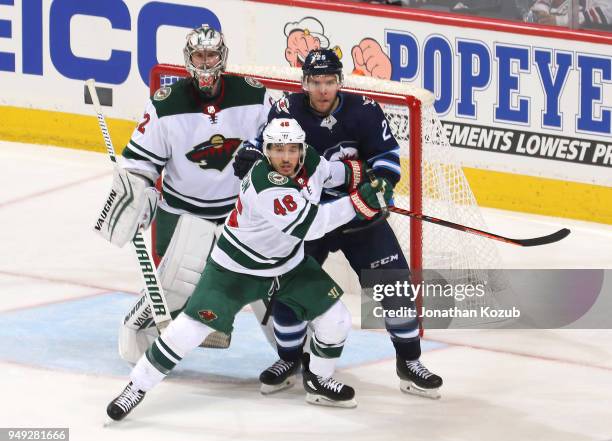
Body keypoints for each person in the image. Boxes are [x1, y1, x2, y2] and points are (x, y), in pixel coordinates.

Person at [105, 118, 394, 419]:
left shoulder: (308, 158)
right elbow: (312, 226)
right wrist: (361, 202)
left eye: (292, 149)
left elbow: (328, 173)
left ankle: (319, 380)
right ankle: (137, 387)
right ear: (266, 151)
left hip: (288, 266)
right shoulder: (265, 183)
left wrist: (362, 175)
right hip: (235, 270)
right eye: (277, 149)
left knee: (336, 319)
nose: (285, 157)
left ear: (301, 148)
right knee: (188, 330)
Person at [233, 49, 443, 399]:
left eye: (329, 82)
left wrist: (379, 186)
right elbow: (262, 149)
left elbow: (387, 162)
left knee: (396, 287)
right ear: (304, 83)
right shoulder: (287, 111)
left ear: (339, 82)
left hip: (358, 216)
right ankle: (289, 359)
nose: (323, 90)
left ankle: (409, 362)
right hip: (307, 220)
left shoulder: (364, 110)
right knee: (287, 289)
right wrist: (250, 155)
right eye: (315, 82)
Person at [93, 24, 276, 363]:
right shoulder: (166, 104)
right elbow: (140, 164)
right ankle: (145, 359)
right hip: (183, 217)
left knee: (270, 291)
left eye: (211, 55)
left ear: (222, 58)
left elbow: (283, 144)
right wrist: (136, 195)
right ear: (188, 59)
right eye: (199, 55)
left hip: (240, 217)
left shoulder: (253, 95)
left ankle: (294, 355)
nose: (205, 63)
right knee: (169, 297)